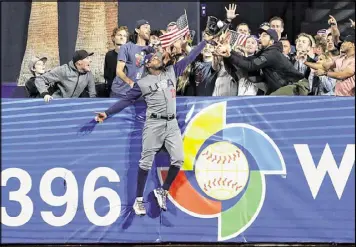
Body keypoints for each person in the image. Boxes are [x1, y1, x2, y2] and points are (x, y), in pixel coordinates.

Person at [94, 37, 211, 216]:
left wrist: (204, 42)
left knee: (178, 159)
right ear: (148, 65)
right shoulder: (142, 83)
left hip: (171, 124)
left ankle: (162, 190)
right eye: (154, 59)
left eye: (158, 58)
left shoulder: (172, 71)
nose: (158, 59)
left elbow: (191, 57)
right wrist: (107, 113)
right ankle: (139, 200)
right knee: (145, 161)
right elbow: (126, 100)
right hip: (154, 123)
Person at [215, 28, 306, 95]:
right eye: (260, 35)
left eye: (264, 36)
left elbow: (250, 66)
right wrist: (230, 51)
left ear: (271, 41)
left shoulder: (272, 54)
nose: (260, 38)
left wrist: (230, 55)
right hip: (285, 87)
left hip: (297, 86)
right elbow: (247, 60)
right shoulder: (266, 52)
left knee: (270, 101)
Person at [110, 19, 154, 98]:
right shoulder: (126, 47)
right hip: (120, 92)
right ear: (137, 30)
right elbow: (119, 71)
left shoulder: (151, 50)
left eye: (149, 28)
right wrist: (131, 83)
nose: (148, 30)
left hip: (138, 94)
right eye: (145, 27)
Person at [104, 26, 129, 97]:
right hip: (113, 92)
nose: (122, 37)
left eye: (124, 36)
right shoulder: (109, 55)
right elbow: (107, 75)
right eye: (119, 35)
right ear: (113, 38)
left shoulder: (130, 55)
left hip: (127, 92)